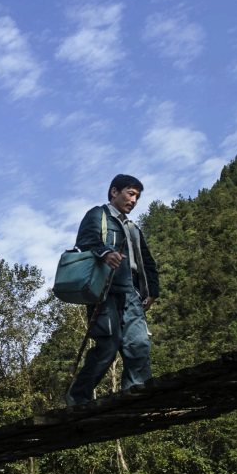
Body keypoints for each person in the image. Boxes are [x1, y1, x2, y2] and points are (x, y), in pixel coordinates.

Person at [66, 174, 160, 405]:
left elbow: (147, 262)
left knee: (138, 343)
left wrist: (153, 292)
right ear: (114, 192)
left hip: (132, 293)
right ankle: (78, 397)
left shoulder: (134, 228)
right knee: (108, 345)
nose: (134, 200)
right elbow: (85, 240)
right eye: (130, 193)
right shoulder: (98, 215)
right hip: (104, 291)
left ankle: (136, 394)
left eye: (137, 196)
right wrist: (106, 253)